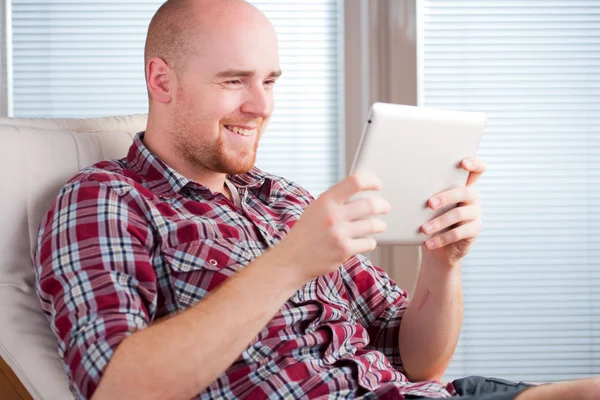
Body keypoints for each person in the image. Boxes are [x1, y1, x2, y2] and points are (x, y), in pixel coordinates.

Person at [34, 0, 599, 399]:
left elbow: (421, 359)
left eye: (271, 81)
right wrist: (291, 261)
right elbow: (120, 389)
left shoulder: (284, 200)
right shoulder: (107, 199)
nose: (262, 106)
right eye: (235, 81)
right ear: (162, 81)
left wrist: (442, 262)